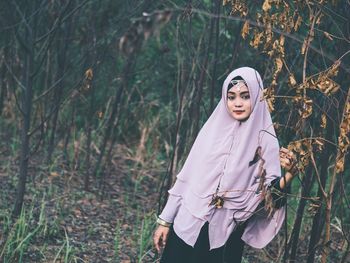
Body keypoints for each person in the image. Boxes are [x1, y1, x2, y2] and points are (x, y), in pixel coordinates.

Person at [153, 67, 298, 263]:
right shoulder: (211, 130)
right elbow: (186, 178)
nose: (237, 103)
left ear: (256, 96)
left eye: (245, 96)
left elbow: (267, 198)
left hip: (226, 234)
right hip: (187, 223)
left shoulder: (267, 140)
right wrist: (165, 221)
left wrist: (288, 177)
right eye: (231, 97)